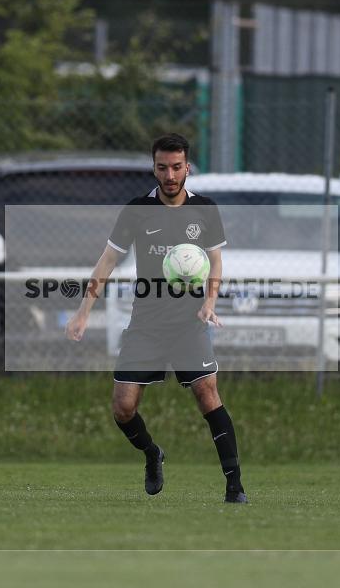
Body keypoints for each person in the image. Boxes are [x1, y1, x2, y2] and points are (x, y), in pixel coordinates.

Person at [65, 133, 247, 504]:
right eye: (162, 167)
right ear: (153, 168)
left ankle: (235, 486)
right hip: (146, 323)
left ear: (187, 168)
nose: (169, 175)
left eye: (176, 167)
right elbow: (108, 261)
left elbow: (215, 263)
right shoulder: (136, 210)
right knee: (123, 407)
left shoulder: (205, 210)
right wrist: (84, 311)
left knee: (207, 393)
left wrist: (209, 302)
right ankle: (152, 452)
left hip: (189, 322)